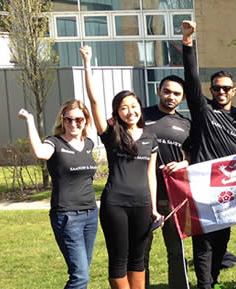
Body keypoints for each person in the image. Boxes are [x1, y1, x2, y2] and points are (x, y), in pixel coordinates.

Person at [82, 45, 161, 289]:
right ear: (117, 111)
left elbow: (151, 175)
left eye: (134, 105)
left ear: (140, 107)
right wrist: (87, 64)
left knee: (138, 260)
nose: (130, 111)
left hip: (142, 204)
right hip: (115, 204)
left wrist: (155, 209)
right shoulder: (110, 133)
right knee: (118, 259)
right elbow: (94, 101)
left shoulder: (150, 137)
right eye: (124, 107)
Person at [181, 20, 236, 289]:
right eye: (216, 88)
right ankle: (204, 285)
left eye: (226, 88)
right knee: (204, 242)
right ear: (210, 91)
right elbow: (191, 78)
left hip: (228, 190)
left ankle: (214, 279)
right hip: (201, 185)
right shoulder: (203, 109)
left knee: (222, 241)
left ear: (233, 91)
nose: (221, 92)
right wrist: (188, 42)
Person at [19, 101, 98, 289]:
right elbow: (40, 153)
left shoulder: (88, 143)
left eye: (79, 119)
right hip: (67, 216)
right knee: (80, 277)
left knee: (83, 271)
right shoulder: (54, 142)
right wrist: (30, 120)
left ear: (86, 121)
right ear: (62, 120)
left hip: (90, 215)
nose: (73, 124)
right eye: (68, 119)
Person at [141, 75, 192, 289]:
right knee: (140, 251)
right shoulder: (141, 115)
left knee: (176, 250)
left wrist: (185, 163)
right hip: (142, 194)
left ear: (183, 98)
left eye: (177, 94)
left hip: (174, 196)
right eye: (167, 91)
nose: (171, 96)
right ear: (159, 91)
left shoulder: (186, 124)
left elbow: (193, 156)